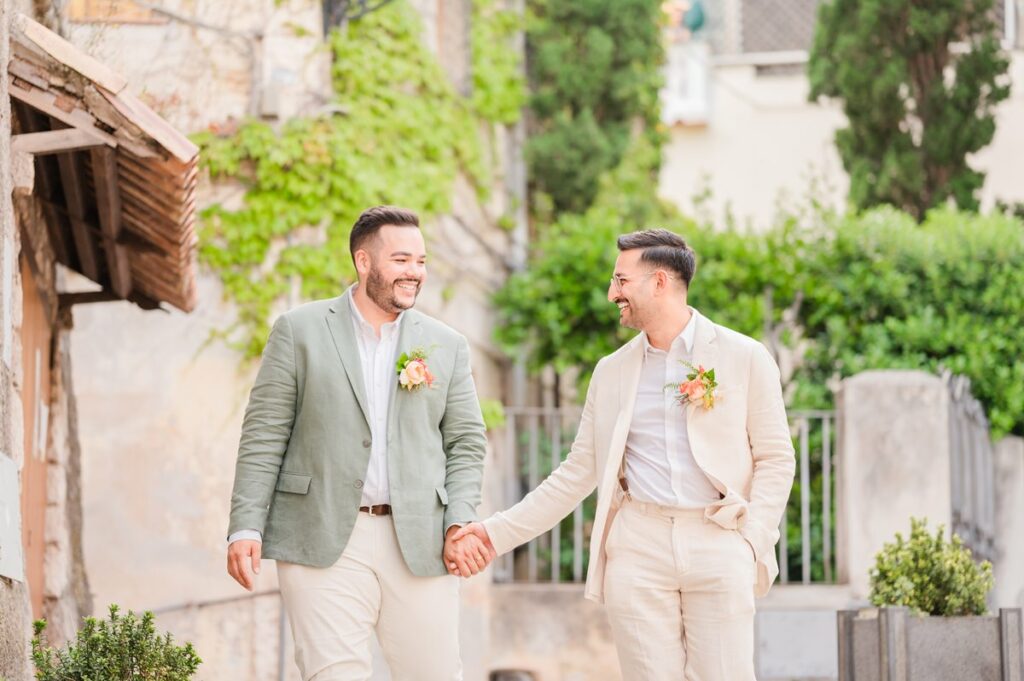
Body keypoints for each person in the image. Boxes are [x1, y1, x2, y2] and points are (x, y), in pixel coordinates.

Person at [453, 229, 795, 681]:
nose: (612, 293)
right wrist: (494, 534)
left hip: (719, 539)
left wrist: (750, 541)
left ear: (659, 282)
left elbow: (776, 457)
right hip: (638, 549)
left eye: (621, 281)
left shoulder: (745, 357)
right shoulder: (610, 372)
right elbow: (576, 473)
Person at [226, 206, 493, 681]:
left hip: (420, 539)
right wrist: (245, 526)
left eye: (421, 261)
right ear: (364, 262)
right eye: (402, 260)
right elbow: (264, 432)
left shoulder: (445, 344)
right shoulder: (299, 330)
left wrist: (460, 519)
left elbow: (467, 442)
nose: (415, 273)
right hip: (320, 534)